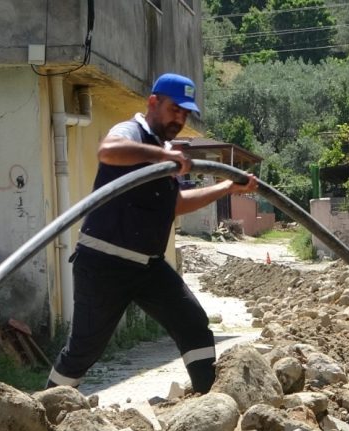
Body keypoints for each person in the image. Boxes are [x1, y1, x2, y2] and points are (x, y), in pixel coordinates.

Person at [47, 72, 257, 394]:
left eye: (185, 113)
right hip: (103, 262)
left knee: (194, 324)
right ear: (153, 103)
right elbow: (108, 151)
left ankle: (209, 401)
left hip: (148, 266)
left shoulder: (166, 149)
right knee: (84, 350)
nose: (180, 118)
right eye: (175, 109)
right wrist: (163, 157)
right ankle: (48, 406)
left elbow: (175, 204)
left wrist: (227, 186)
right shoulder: (132, 132)